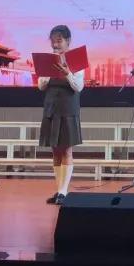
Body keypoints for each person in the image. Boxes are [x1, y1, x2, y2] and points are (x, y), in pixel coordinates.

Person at [38, 24, 84, 205]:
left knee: (66, 150)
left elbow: (78, 87)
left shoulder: (76, 59)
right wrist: (47, 74)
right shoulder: (47, 60)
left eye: (59, 41)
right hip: (51, 107)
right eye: (53, 41)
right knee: (55, 150)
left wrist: (67, 74)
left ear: (68, 41)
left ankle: (64, 191)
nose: (55, 44)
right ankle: (59, 190)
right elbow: (41, 86)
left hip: (68, 108)